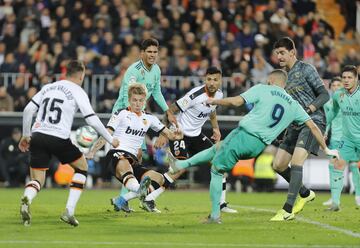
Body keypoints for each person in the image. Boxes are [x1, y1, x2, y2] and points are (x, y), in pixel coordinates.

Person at [167, 69, 339, 223]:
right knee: (216, 148)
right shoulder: (293, 105)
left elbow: (236, 102)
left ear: (271, 80)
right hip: (257, 145)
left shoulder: (263, 89)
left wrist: (215, 102)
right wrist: (326, 149)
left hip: (245, 136)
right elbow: (314, 127)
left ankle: (214, 216)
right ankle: (181, 164)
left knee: (217, 170)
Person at [18, 60, 119, 227]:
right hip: (58, 137)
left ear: (66, 73)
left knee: (37, 179)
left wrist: (26, 135)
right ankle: (69, 211)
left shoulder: (49, 87)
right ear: (81, 75)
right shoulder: (78, 91)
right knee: (82, 167)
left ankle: (27, 198)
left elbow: (28, 110)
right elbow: (92, 120)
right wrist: (110, 139)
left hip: (38, 134)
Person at [87, 83, 183, 213]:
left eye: (141, 100)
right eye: (134, 100)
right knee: (124, 162)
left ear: (145, 100)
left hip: (133, 161)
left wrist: (176, 136)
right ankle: (139, 191)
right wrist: (93, 150)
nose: (137, 104)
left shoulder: (149, 118)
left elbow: (169, 134)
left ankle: (123, 200)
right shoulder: (121, 113)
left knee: (159, 178)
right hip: (116, 155)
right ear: (129, 100)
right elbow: (107, 132)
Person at [156, 66, 237, 213]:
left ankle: (221, 204)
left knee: (219, 162)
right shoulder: (194, 96)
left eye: (215, 80)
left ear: (220, 81)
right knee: (179, 168)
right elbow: (171, 110)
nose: (212, 83)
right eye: (209, 79)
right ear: (204, 79)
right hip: (179, 133)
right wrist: (163, 133)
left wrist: (216, 128)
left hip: (196, 135)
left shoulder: (219, 95)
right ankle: (151, 196)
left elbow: (212, 111)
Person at [112, 38, 177, 204]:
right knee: (132, 157)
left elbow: (157, 93)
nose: (152, 55)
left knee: (137, 159)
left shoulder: (156, 70)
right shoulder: (134, 71)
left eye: (155, 52)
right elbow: (130, 99)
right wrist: (137, 120)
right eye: (149, 52)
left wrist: (167, 111)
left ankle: (123, 199)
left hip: (139, 116)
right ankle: (123, 198)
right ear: (142, 53)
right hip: (124, 116)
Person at [271, 37, 330, 218]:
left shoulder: (306, 69)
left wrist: (308, 109)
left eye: (282, 52)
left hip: (313, 121)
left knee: (296, 162)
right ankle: (305, 193)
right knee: (278, 165)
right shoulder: (282, 77)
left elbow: (324, 94)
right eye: (277, 53)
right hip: (294, 125)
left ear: (292, 52)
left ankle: (287, 209)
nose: (279, 56)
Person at [325, 65, 360, 211]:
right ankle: (335, 203)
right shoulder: (338, 94)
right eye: (344, 77)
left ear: (356, 79)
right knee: (337, 164)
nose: (346, 80)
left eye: (349, 77)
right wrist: (323, 126)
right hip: (347, 139)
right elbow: (333, 112)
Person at [322, 77, 343, 206]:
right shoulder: (329, 104)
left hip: (348, 139)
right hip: (335, 139)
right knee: (333, 166)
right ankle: (334, 197)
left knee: (352, 167)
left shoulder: (348, 101)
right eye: (333, 85)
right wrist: (324, 133)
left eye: (338, 85)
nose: (335, 87)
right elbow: (327, 121)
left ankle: (356, 195)